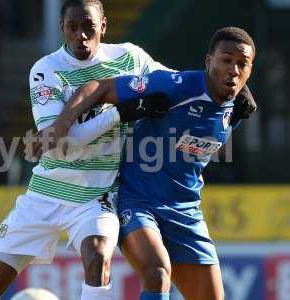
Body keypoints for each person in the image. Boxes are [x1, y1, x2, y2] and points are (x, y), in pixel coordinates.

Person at [30, 27, 256, 300]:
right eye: (226, 60)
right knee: (157, 273)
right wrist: (62, 123)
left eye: (242, 64)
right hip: (136, 201)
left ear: (250, 69)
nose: (233, 69)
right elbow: (99, 86)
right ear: (209, 61)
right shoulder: (177, 87)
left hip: (186, 211)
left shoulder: (238, 108)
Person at [0, 1, 170, 299]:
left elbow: (174, 81)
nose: (81, 36)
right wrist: (119, 113)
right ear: (62, 27)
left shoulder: (130, 57)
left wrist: (215, 86)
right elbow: (61, 143)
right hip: (45, 194)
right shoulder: (47, 70)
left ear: (103, 26)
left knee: (99, 256)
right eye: (72, 28)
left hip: (95, 195)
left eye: (89, 27)